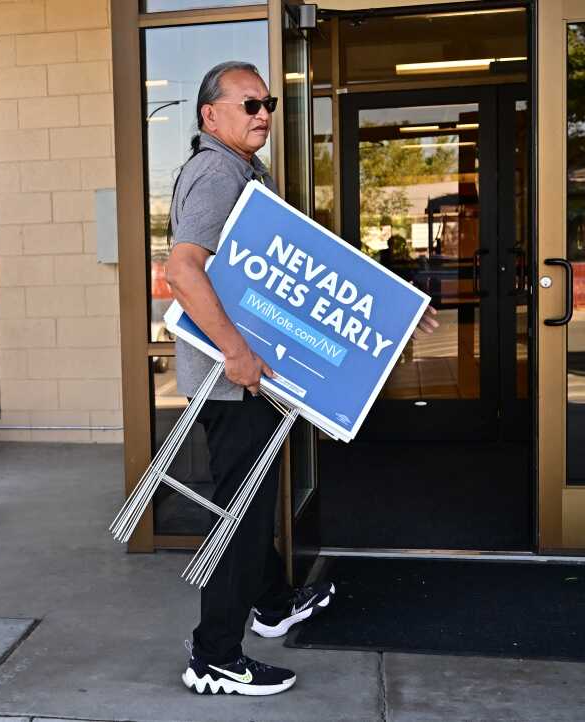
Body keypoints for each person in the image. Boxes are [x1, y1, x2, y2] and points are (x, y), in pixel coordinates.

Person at [164, 61, 437, 697]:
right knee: (242, 518)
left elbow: (303, 281)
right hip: (235, 383)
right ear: (211, 115)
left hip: (250, 380)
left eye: (269, 105)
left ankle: (272, 602)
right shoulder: (215, 173)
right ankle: (214, 657)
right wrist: (235, 351)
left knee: (253, 506)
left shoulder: (240, 171)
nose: (264, 114)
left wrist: (388, 317)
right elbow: (182, 269)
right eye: (250, 104)